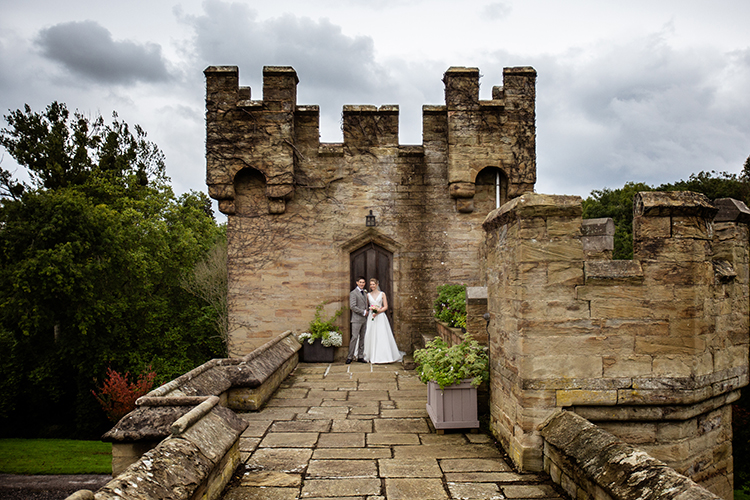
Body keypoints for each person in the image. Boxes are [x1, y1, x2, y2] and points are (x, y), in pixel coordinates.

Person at [363, 278, 403, 364]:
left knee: (382, 335)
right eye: (371, 284)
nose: (372, 286)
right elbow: (367, 306)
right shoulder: (368, 295)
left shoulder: (382, 294)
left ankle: (384, 356)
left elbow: (385, 306)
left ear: (377, 284)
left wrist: (378, 312)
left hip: (380, 317)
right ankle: (371, 355)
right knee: (371, 334)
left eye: (373, 284)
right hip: (372, 317)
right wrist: (371, 310)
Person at [347, 277, 368, 364]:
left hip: (364, 319)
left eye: (363, 282)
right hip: (356, 319)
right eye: (360, 282)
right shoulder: (353, 293)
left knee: (362, 338)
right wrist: (363, 312)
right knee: (354, 337)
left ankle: (360, 356)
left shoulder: (365, 293)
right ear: (357, 283)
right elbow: (352, 306)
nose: (362, 284)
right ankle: (350, 357)